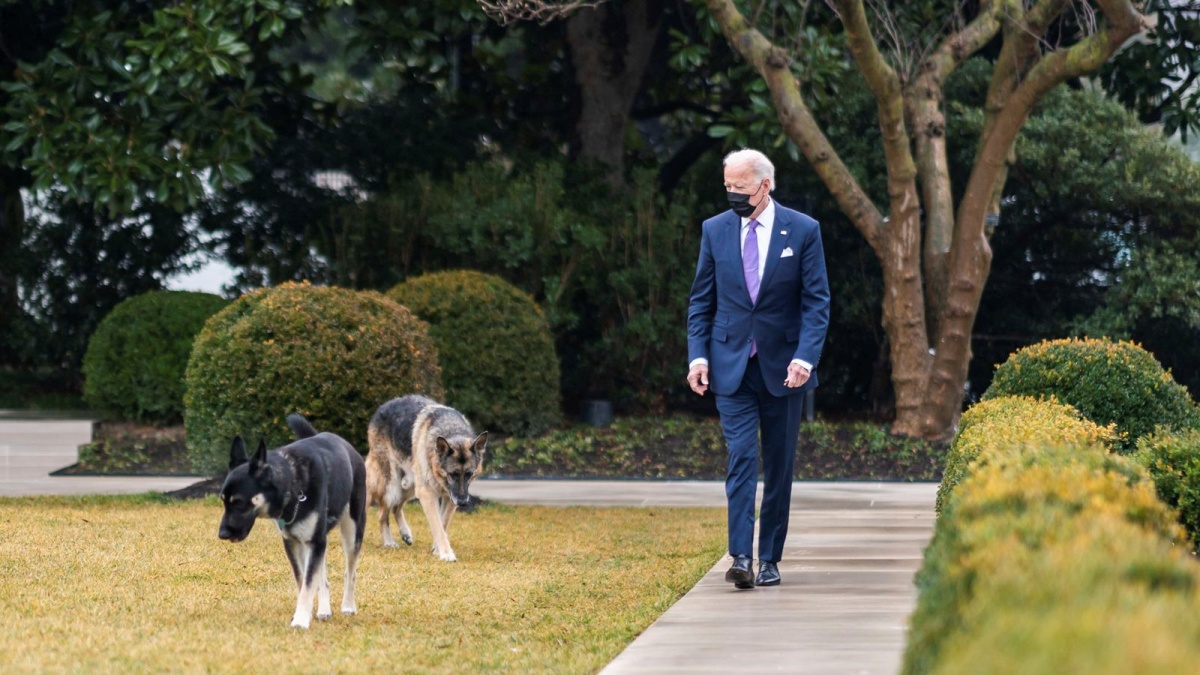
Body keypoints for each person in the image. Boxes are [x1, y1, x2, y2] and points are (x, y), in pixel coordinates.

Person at [686, 148, 830, 589]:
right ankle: (741, 557)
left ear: (765, 185)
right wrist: (698, 355)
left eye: (740, 187)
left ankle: (770, 558)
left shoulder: (803, 230)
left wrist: (805, 357)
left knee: (779, 465)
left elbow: (816, 301)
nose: (732, 194)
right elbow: (701, 300)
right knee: (742, 458)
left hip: (785, 369)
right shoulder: (715, 230)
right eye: (727, 186)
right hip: (731, 367)